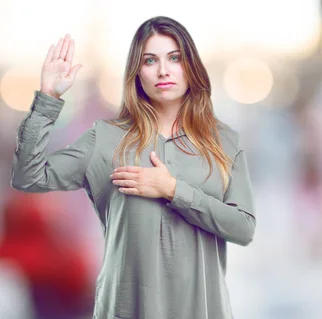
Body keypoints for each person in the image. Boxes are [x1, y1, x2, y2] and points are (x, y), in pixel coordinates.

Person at [11, 16, 256, 319]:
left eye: (175, 58)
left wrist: (173, 189)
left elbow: (244, 228)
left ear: (191, 66)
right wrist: (48, 98)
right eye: (150, 60)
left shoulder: (224, 143)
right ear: (137, 73)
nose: (163, 70)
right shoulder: (105, 139)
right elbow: (29, 177)